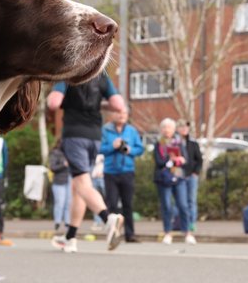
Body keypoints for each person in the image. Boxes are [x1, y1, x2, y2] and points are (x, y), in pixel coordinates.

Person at [45, 71, 127, 252]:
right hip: (95, 136)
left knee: (81, 184)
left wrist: (55, 94)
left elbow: (53, 103)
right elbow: (119, 105)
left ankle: (108, 219)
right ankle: (70, 237)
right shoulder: (101, 76)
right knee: (78, 187)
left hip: (74, 135)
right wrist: (100, 103)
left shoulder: (68, 74)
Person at [99, 107, 144, 243]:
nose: (121, 115)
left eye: (124, 113)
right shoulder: (105, 130)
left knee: (128, 204)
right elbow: (98, 148)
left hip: (127, 171)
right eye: (119, 113)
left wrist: (130, 150)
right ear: (112, 114)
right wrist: (112, 146)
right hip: (110, 172)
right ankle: (113, 234)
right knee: (111, 204)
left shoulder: (131, 130)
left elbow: (140, 148)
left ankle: (130, 234)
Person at [153, 119, 184, 245]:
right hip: (163, 178)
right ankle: (167, 232)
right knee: (166, 205)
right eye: (164, 127)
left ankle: (186, 232)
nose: (167, 130)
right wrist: (170, 160)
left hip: (178, 176)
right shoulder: (158, 144)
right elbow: (159, 162)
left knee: (183, 204)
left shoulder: (179, 143)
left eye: (169, 127)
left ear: (173, 129)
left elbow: (184, 159)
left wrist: (179, 160)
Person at [175, 120, 203, 244]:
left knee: (192, 200)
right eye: (181, 126)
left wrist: (195, 172)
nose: (184, 129)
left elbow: (199, 160)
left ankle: (191, 223)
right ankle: (181, 223)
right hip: (180, 175)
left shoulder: (193, 143)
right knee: (182, 202)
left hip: (191, 176)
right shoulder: (175, 143)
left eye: (186, 126)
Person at [48, 139, 71, 235]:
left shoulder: (70, 153)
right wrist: (63, 165)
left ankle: (67, 223)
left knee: (68, 203)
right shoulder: (55, 153)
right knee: (60, 203)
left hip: (69, 181)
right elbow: (52, 167)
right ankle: (57, 222)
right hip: (59, 182)